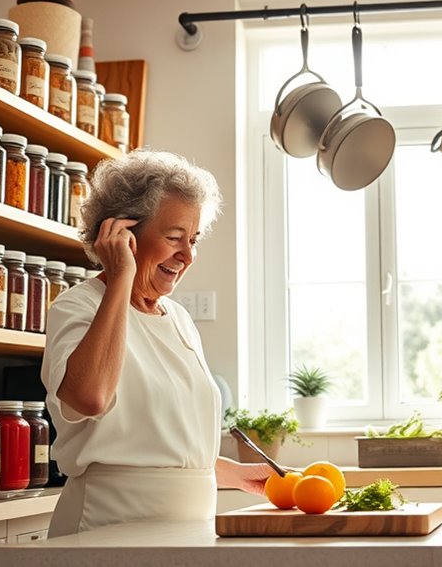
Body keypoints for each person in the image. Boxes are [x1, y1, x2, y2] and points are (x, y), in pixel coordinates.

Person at [41, 150, 271, 537]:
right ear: (122, 235)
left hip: (188, 533)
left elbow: (158, 444)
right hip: (105, 529)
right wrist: (120, 277)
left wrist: (237, 474)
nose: (187, 256)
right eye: (174, 237)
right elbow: (90, 398)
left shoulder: (179, 319)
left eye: (193, 240)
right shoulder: (78, 306)